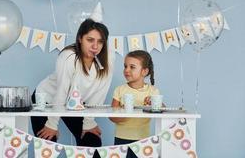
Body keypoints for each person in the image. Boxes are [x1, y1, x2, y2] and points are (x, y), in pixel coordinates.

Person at [31, 18, 114, 157]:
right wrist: (52, 124)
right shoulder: (68, 57)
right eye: (90, 40)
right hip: (47, 99)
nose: (95, 46)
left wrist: (89, 122)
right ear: (80, 38)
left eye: (100, 41)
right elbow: (61, 92)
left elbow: (99, 94)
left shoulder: (106, 62)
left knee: (91, 143)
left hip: (74, 104)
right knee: (47, 144)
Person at [109, 50, 160, 158]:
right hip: (121, 138)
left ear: (144, 71)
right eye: (125, 66)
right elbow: (112, 117)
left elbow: (161, 110)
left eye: (132, 67)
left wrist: (154, 103)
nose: (126, 70)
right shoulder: (119, 90)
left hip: (143, 139)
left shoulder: (152, 92)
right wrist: (124, 113)